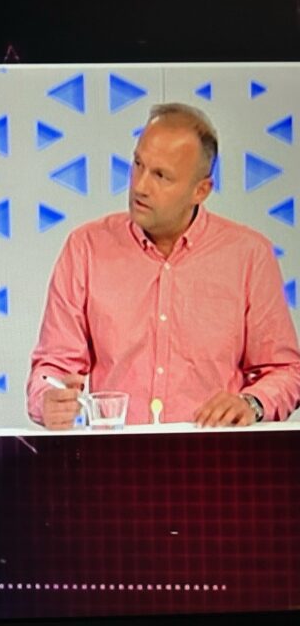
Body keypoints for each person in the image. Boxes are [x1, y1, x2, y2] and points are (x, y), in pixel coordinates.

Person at [27, 103, 300, 429]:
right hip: (115, 457)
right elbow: (52, 368)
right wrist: (47, 400)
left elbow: (286, 372)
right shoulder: (86, 248)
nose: (140, 186)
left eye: (160, 175)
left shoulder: (249, 255)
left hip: (213, 455)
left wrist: (251, 403)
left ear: (201, 190)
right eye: (138, 164)